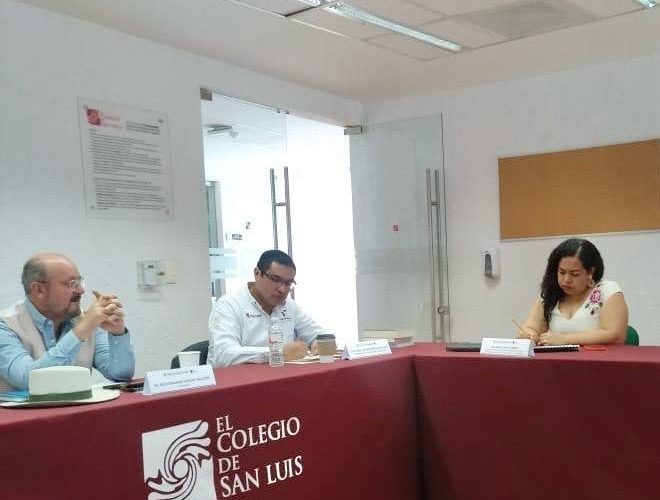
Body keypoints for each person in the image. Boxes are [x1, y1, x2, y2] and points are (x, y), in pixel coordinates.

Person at [0, 252, 135, 390]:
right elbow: (29, 380)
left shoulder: (86, 321)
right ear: (39, 290)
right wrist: (82, 329)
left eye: (80, 282)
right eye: (72, 283)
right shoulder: (5, 325)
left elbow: (121, 375)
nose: (81, 290)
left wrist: (117, 332)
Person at [208, 250, 328, 366]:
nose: (282, 289)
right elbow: (224, 354)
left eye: (288, 283)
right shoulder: (229, 305)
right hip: (239, 378)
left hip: (282, 375)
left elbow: (319, 335)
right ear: (257, 273)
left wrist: (321, 343)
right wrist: (277, 353)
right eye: (275, 280)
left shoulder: (289, 305)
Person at [517, 238, 628, 346]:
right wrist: (529, 334)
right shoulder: (550, 294)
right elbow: (531, 327)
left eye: (575, 274)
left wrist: (565, 339)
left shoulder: (607, 291)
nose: (566, 280)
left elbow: (615, 335)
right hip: (557, 358)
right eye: (562, 272)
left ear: (591, 272)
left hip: (599, 357)